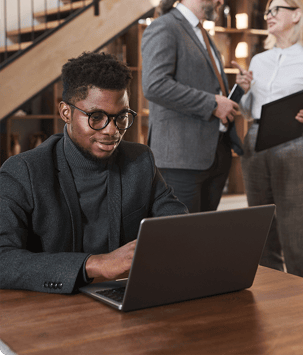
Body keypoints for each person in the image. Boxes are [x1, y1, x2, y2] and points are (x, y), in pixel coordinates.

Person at [0, 52, 187, 294]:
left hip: (124, 298)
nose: (112, 130)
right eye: (96, 117)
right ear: (66, 112)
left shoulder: (140, 161)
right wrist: (96, 264)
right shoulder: (23, 172)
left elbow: (177, 225)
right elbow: (3, 259)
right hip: (51, 307)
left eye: (121, 117)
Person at [232, 0, 303, 280]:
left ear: (297, 14)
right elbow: (249, 112)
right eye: (267, 12)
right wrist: (245, 90)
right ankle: (272, 300)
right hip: (256, 142)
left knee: (293, 234)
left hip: (295, 144)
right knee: (262, 230)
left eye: (276, 9)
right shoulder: (258, 61)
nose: (269, 16)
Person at [141, 0, 243, 214]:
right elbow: (154, 85)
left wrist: (234, 90)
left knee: (203, 240)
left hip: (213, 155)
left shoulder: (203, 33)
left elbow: (206, 85)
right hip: (181, 160)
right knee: (183, 243)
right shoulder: (165, 28)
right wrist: (212, 104)